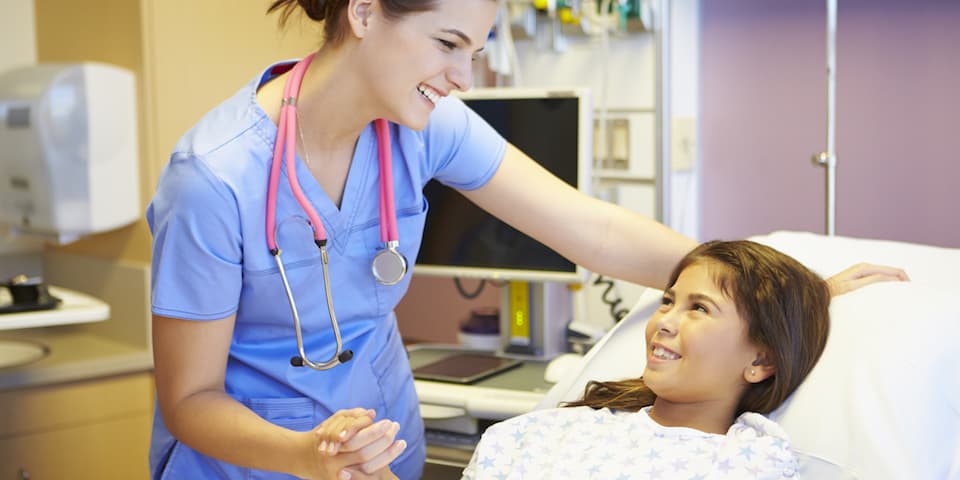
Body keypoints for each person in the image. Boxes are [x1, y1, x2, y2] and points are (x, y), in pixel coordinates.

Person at [145, 0, 908, 479]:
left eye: (474, 50)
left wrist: (779, 288)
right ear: (366, 11)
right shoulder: (212, 180)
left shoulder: (423, 126)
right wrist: (309, 456)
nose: (464, 76)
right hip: (247, 461)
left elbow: (591, 228)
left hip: (380, 444)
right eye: (449, 43)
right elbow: (190, 399)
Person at [462, 240, 835, 479]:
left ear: (762, 360)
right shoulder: (548, 431)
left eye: (699, 308)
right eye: (668, 302)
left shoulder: (748, 460)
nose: (664, 321)